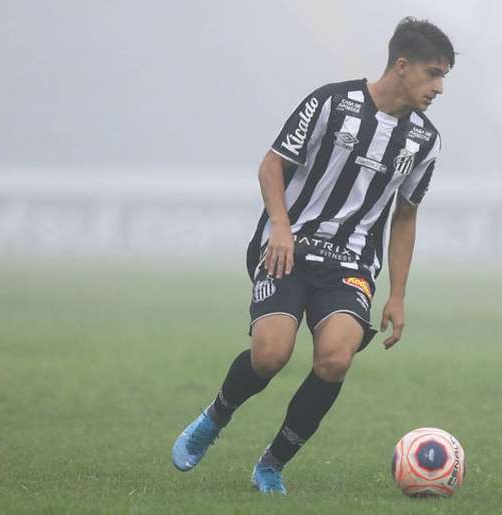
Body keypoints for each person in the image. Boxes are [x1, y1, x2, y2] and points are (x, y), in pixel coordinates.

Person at [171, 16, 455, 494]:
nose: (440, 87)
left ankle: (271, 464)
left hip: (351, 264)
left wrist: (398, 294)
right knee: (270, 354)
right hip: (289, 247)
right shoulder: (331, 102)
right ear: (402, 66)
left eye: (444, 76)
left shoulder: (425, 141)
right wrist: (280, 226)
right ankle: (215, 416)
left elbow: (405, 217)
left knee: (335, 359)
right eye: (433, 73)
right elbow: (271, 165)